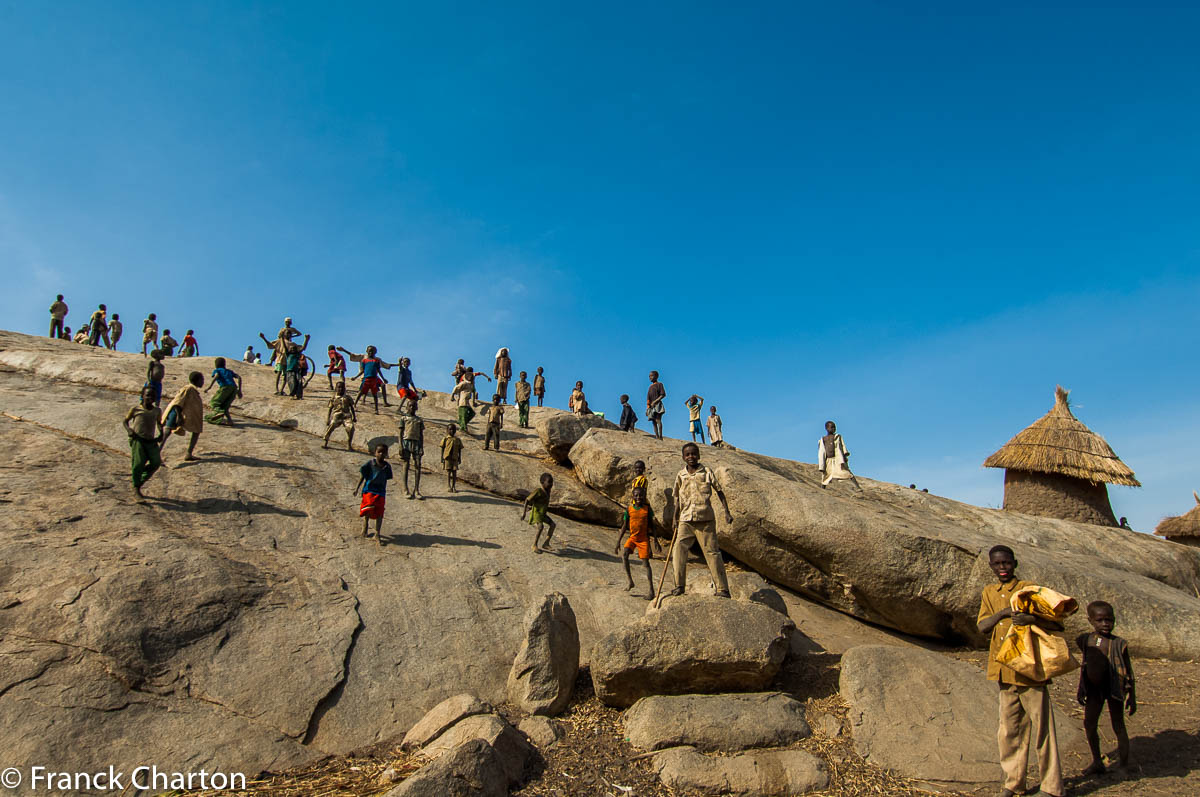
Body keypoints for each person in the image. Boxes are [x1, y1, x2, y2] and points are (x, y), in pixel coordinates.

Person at [976, 545, 1066, 797]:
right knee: (1008, 731)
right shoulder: (989, 593)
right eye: (997, 564)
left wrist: (1032, 620)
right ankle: (1013, 783)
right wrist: (1003, 613)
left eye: (1006, 563)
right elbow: (983, 626)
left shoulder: (1028, 589)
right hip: (1003, 670)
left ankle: (1052, 787)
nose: (1002, 568)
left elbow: (1057, 624)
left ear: (1014, 563)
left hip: (1029, 670)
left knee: (1043, 730)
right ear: (991, 567)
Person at [1077, 600, 1136, 776]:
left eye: (1109, 620)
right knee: (1089, 724)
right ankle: (1097, 761)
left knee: (1118, 725)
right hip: (1094, 689)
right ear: (1090, 621)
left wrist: (1132, 696)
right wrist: (1081, 688)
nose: (1105, 624)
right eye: (1100, 620)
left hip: (1115, 688)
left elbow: (1129, 671)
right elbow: (1085, 666)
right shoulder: (1086, 640)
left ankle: (1123, 766)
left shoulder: (1119, 643)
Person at [669, 442, 732, 598]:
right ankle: (679, 585)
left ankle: (722, 588)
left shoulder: (706, 472)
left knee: (712, 552)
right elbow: (677, 498)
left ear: (699, 455)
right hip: (685, 518)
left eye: (694, 454)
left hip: (705, 519)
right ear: (683, 457)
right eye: (688, 454)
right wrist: (674, 517)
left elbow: (719, 492)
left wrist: (727, 512)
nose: (691, 457)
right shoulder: (680, 475)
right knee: (678, 550)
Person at [615, 485, 656, 600]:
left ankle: (651, 590)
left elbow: (652, 526)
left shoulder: (647, 509)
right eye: (636, 495)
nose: (639, 497)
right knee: (625, 555)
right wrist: (618, 541)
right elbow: (624, 526)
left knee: (646, 564)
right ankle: (630, 581)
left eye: (641, 495)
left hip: (643, 540)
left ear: (644, 497)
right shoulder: (629, 509)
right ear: (632, 496)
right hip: (633, 538)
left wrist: (656, 541)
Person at [123, 387, 163, 503]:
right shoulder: (136, 409)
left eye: (152, 396)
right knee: (138, 463)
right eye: (147, 395)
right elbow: (125, 421)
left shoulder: (157, 411)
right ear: (142, 396)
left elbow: (159, 423)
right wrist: (129, 430)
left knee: (156, 462)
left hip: (150, 440)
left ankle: (139, 480)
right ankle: (136, 489)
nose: (150, 398)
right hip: (138, 439)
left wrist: (161, 433)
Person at [160, 371, 206, 462]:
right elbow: (178, 402)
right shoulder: (188, 388)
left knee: (196, 431)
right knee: (167, 432)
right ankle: (156, 453)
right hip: (177, 413)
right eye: (202, 380)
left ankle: (189, 453)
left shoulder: (193, 390)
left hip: (186, 415)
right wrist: (179, 416)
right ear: (197, 380)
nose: (203, 382)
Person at [354, 443, 393, 546]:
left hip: (380, 492)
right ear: (375, 453)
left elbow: (387, 478)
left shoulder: (387, 466)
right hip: (369, 490)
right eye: (379, 452)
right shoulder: (370, 464)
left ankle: (377, 533)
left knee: (379, 512)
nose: (381, 454)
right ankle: (365, 526)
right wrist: (357, 488)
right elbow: (363, 476)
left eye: (383, 452)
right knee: (368, 508)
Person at [340, 345, 393, 412]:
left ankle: (377, 408)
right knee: (361, 392)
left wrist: (383, 378)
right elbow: (354, 357)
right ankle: (355, 404)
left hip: (374, 378)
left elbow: (381, 369)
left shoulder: (377, 360)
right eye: (369, 351)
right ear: (367, 351)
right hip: (366, 378)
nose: (371, 352)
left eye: (372, 351)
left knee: (375, 394)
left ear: (375, 352)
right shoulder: (364, 359)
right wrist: (355, 377)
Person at [818, 420, 861, 490]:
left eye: (834, 427)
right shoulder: (823, 439)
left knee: (846, 472)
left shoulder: (837, 436)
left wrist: (845, 454)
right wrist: (822, 465)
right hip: (828, 460)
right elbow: (821, 451)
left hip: (837, 459)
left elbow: (842, 445)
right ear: (826, 428)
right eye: (831, 427)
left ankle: (858, 487)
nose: (833, 429)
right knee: (826, 475)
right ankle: (822, 489)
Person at [397, 399, 426, 499]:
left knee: (418, 465)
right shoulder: (403, 418)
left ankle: (417, 490)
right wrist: (400, 445)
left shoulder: (419, 420)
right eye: (410, 406)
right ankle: (405, 489)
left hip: (417, 443)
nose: (412, 408)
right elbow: (400, 433)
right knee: (406, 465)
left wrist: (422, 447)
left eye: (414, 406)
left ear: (417, 408)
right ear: (407, 407)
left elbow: (421, 435)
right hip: (406, 442)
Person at [521, 473, 556, 552]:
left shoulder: (548, 491)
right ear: (542, 482)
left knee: (553, 525)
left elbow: (537, 501)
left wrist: (532, 506)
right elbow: (527, 500)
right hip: (537, 514)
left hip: (542, 514)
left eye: (552, 482)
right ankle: (534, 545)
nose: (551, 484)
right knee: (540, 527)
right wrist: (524, 513)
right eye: (549, 482)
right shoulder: (538, 491)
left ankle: (546, 543)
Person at [205, 357, 243, 425]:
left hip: (225, 387)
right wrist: (239, 390)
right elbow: (239, 377)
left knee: (214, 402)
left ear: (216, 364)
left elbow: (216, 376)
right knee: (225, 406)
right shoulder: (229, 371)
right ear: (224, 364)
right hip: (234, 389)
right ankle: (229, 421)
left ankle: (219, 412)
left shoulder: (217, 370)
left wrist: (209, 387)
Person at [323, 381, 357, 450]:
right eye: (339, 387)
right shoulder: (333, 398)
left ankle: (349, 444)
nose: (340, 389)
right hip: (337, 415)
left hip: (346, 416)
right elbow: (330, 409)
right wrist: (328, 419)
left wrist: (354, 417)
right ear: (336, 388)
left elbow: (352, 408)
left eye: (342, 388)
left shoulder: (348, 398)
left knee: (351, 428)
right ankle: (325, 441)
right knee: (331, 426)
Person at [440, 423, 463, 492]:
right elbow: (442, 448)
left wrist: (459, 458)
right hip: (447, 457)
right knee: (449, 471)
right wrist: (442, 458)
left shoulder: (457, 440)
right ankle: (448, 485)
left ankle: (454, 486)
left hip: (455, 457)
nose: (452, 431)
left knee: (454, 472)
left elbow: (459, 449)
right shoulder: (445, 439)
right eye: (450, 429)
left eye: (453, 429)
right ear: (447, 430)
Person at [647, 371, 666, 440]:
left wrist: (655, 401)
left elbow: (663, 395)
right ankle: (657, 436)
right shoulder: (650, 387)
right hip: (651, 406)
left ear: (656, 376)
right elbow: (648, 398)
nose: (650, 377)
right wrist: (648, 407)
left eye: (652, 376)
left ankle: (660, 436)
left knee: (658, 420)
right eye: (649, 376)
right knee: (653, 421)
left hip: (657, 405)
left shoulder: (659, 384)